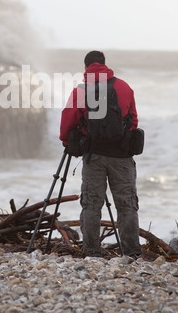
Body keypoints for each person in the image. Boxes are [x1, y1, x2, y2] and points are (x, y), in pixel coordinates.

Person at [59, 50, 142, 258]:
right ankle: (132, 252)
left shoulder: (81, 90)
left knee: (91, 205)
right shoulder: (124, 87)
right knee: (127, 205)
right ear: (105, 64)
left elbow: (67, 121)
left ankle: (92, 251)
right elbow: (133, 120)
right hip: (122, 157)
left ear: (86, 67)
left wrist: (68, 142)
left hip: (94, 156)